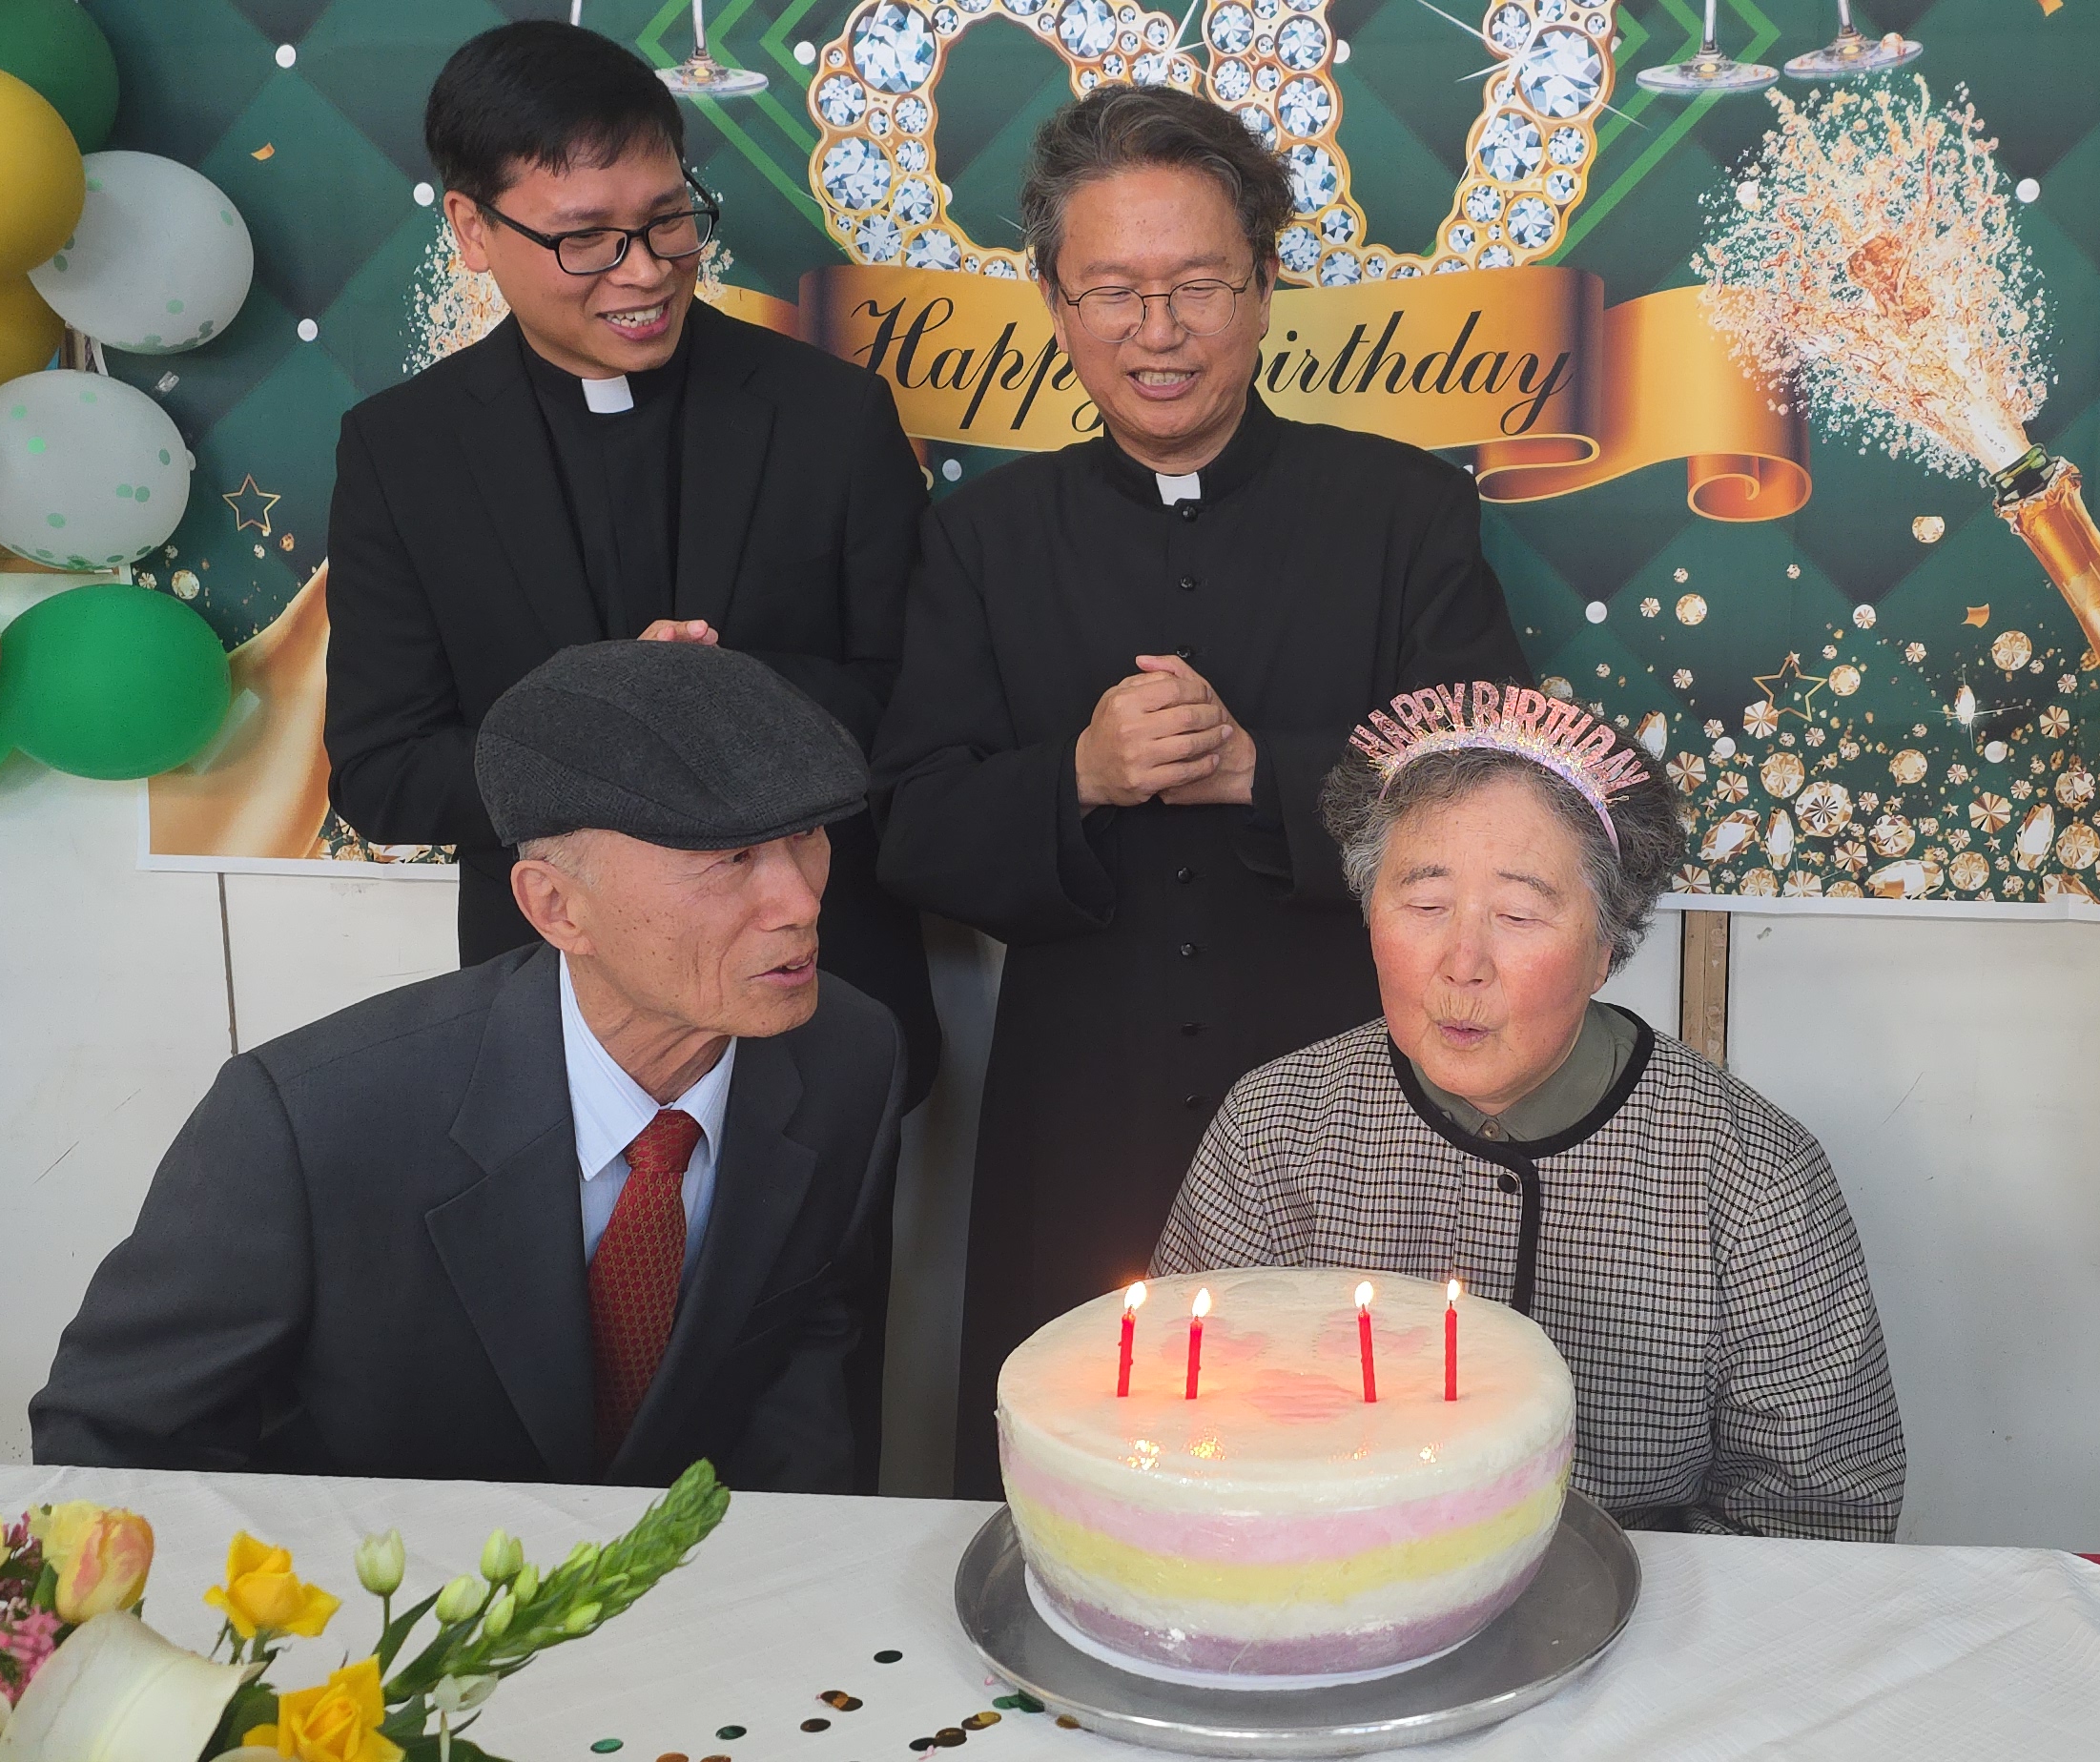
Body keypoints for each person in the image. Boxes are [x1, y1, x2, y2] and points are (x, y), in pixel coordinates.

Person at [872, 85, 1532, 1497]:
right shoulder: (981, 538)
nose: (1156, 332)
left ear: (1268, 282)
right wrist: (1079, 778)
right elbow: (911, 823)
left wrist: (1265, 774)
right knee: (1081, 1478)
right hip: (1078, 1106)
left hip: (1349, 1091)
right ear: (1053, 299)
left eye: (1197, 287)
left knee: (1365, 1471)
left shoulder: (1403, 512)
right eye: (1113, 290)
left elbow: (1495, 791)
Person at [34, 643, 905, 1491]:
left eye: (808, 836)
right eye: (728, 859)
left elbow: (805, 1361)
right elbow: (114, 1446)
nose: (800, 901)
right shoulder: (310, 1120)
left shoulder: (848, 1058)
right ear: (555, 906)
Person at [322, 21, 938, 1107]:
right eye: (587, 239)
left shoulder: (830, 416)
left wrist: (723, 696)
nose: (646, 272)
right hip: (550, 1022)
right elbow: (381, 771)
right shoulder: (401, 451)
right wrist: (597, 736)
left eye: (668, 221)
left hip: (821, 1002)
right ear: (471, 225)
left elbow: (925, 708)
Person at [1151, 684, 1905, 1541]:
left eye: (1516, 914)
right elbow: (1181, 1431)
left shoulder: (1750, 1174)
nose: (1462, 963)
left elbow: (1821, 1516)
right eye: (1426, 906)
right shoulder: (1277, 1127)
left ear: (1606, 945)